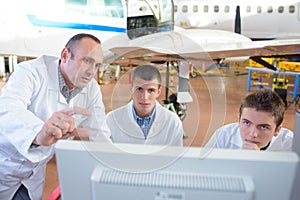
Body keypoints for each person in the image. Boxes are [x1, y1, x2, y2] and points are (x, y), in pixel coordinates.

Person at [0, 33, 111, 200]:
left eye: (97, 65)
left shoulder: (91, 88)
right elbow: (8, 108)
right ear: (65, 55)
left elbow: (100, 132)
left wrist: (114, 165)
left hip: (33, 178)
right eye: (87, 61)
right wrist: (39, 132)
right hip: (4, 166)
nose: (91, 72)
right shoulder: (31, 72)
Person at [106, 64, 184, 146]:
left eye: (151, 90)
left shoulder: (173, 123)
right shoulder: (111, 121)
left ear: (158, 92)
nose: (144, 97)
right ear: (131, 89)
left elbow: (176, 157)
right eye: (139, 89)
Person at [205, 89, 293, 151]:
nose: (252, 134)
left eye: (263, 127)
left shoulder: (289, 143)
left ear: (277, 130)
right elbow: (203, 169)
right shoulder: (223, 136)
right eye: (246, 123)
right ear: (239, 121)